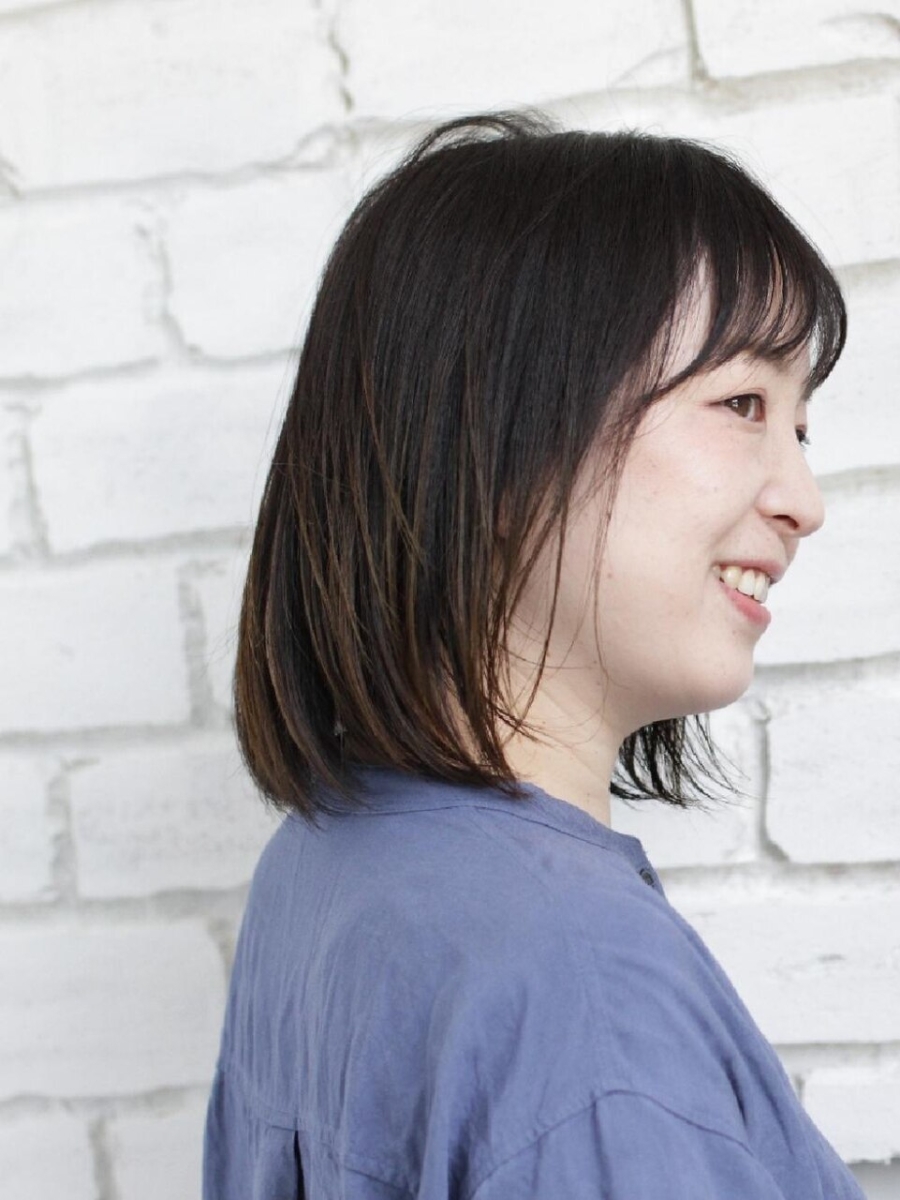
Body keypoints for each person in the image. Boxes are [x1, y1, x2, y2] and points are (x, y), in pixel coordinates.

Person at [203, 112, 865, 1199]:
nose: (805, 501)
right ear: (504, 433)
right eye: (742, 402)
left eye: (800, 429)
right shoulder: (584, 992)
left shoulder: (327, 862)